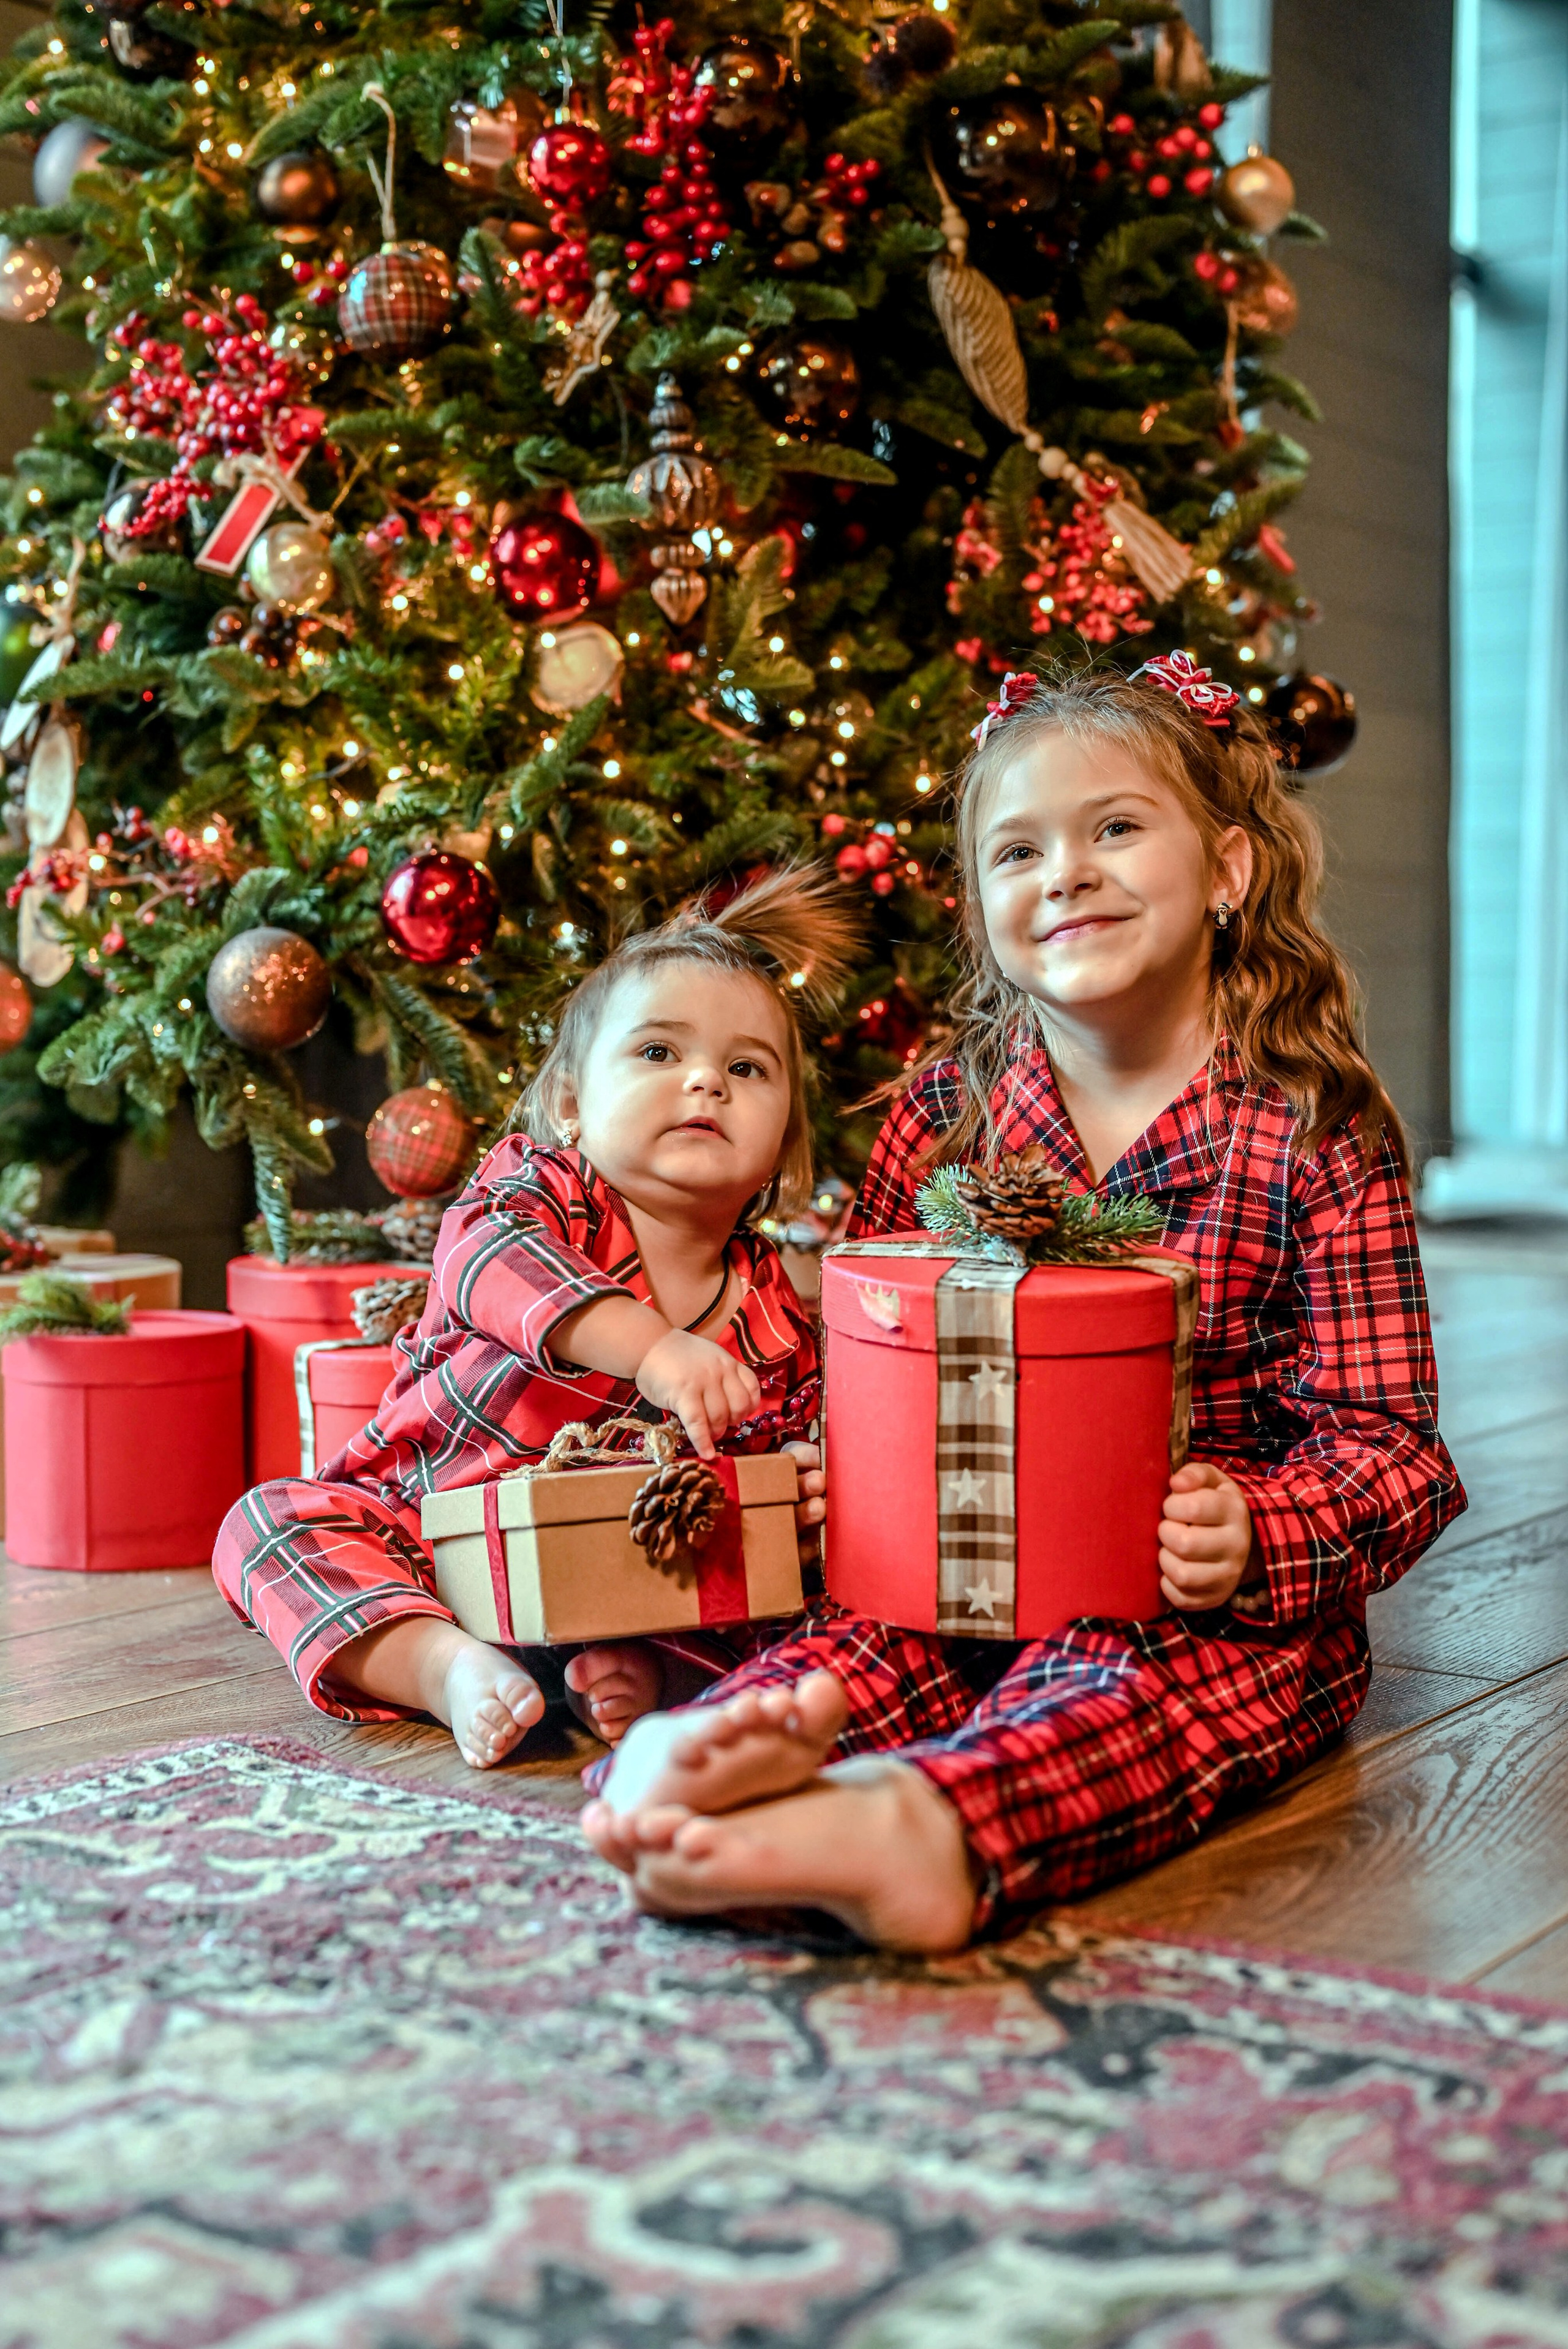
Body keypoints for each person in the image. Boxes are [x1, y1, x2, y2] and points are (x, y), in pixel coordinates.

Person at [582, 655, 1466, 1951]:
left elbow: (1395, 1448)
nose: (1063, 872)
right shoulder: (942, 1121)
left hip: (1198, 1602)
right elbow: (857, 1372)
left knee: (1140, 1695)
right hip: (946, 1569)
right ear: (982, 902)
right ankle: (713, 1776)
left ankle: (920, 1830)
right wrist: (836, 1468)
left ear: (1226, 869)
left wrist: (1260, 1529)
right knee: (846, 1661)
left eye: (1113, 828)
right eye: (1016, 851)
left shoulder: (1310, 1125)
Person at [213, 868, 856, 1768]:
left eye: (746, 1068)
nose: (707, 1081)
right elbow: (484, 1261)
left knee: (773, 1604)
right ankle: (440, 1666)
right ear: (570, 1107)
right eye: (660, 1054)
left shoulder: (778, 1315)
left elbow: (783, 1448)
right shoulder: (542, 1191)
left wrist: (794, 1487)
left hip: (626, 1577)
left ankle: (637, 1673)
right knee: (266, 1524)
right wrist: (651, 1349)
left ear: (783, 1145)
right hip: (428, 1535)